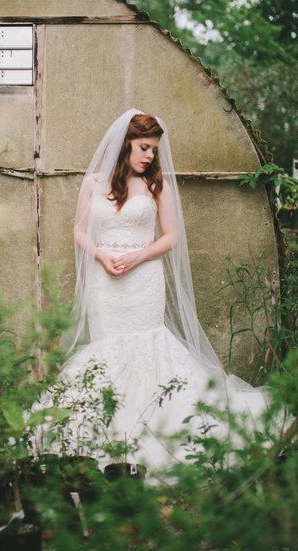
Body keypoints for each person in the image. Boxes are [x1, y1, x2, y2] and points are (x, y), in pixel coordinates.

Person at [33, 108, 275, 475]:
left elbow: (171, 237)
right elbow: (79, 231)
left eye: (154, 149)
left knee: (148, 348)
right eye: (144, 147)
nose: (149, 155)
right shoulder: (94, 182)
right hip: (105, 283)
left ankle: (158, 427)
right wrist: (100, 256)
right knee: (108, 353)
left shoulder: (155, 184)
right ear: (124, 144)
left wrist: (135, 257)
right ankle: (107, 430)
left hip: (143, 280)